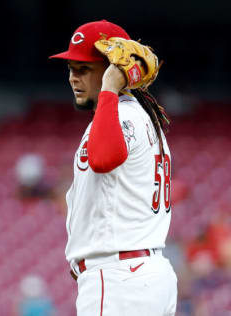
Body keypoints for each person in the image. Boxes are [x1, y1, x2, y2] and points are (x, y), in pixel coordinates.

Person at [49, 20, 177, 315]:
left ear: (111, 70)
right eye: (71, 69)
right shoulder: (137, 116)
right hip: (135, 274)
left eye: (83, 69)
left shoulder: (121, 114)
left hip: (121, 277)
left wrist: (109, 88)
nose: (72, 78)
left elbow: (103, 159)